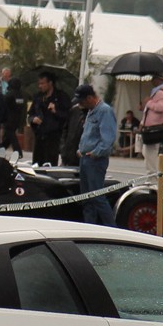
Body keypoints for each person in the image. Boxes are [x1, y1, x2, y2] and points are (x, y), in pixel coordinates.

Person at [74, 83, 118, 226]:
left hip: (95, 161)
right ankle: (89, 227)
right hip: (85, 158)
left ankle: (113, 229)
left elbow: (108, 139)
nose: (80, 104)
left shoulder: (105, 111)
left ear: (90, 98)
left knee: (97, 197)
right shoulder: (90, 111)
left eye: (81, 101)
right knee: (86, 199)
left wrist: (95, 153)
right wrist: (81, 150)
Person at [28, 72, 69, 165]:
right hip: (39, 136)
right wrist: (33, 119)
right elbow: (31, 113)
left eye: (42, 83)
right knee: (37, 164)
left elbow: (67, 116)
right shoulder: (38, 97)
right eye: (39, 83)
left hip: (53, 137)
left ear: (50, 83)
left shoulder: (61, 97)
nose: (40, 86)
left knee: (49, 164)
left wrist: (56, 111)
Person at [138, 73, 163, 168]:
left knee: (150, 153)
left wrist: (148, 102)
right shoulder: (160, 91)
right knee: (148, 152)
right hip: (153, 126)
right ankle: (162, 171)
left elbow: (161, 107)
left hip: (154, 127)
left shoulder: (160, 92)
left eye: (154, 78)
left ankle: (153, 175)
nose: (152, 80)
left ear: (159, 79)